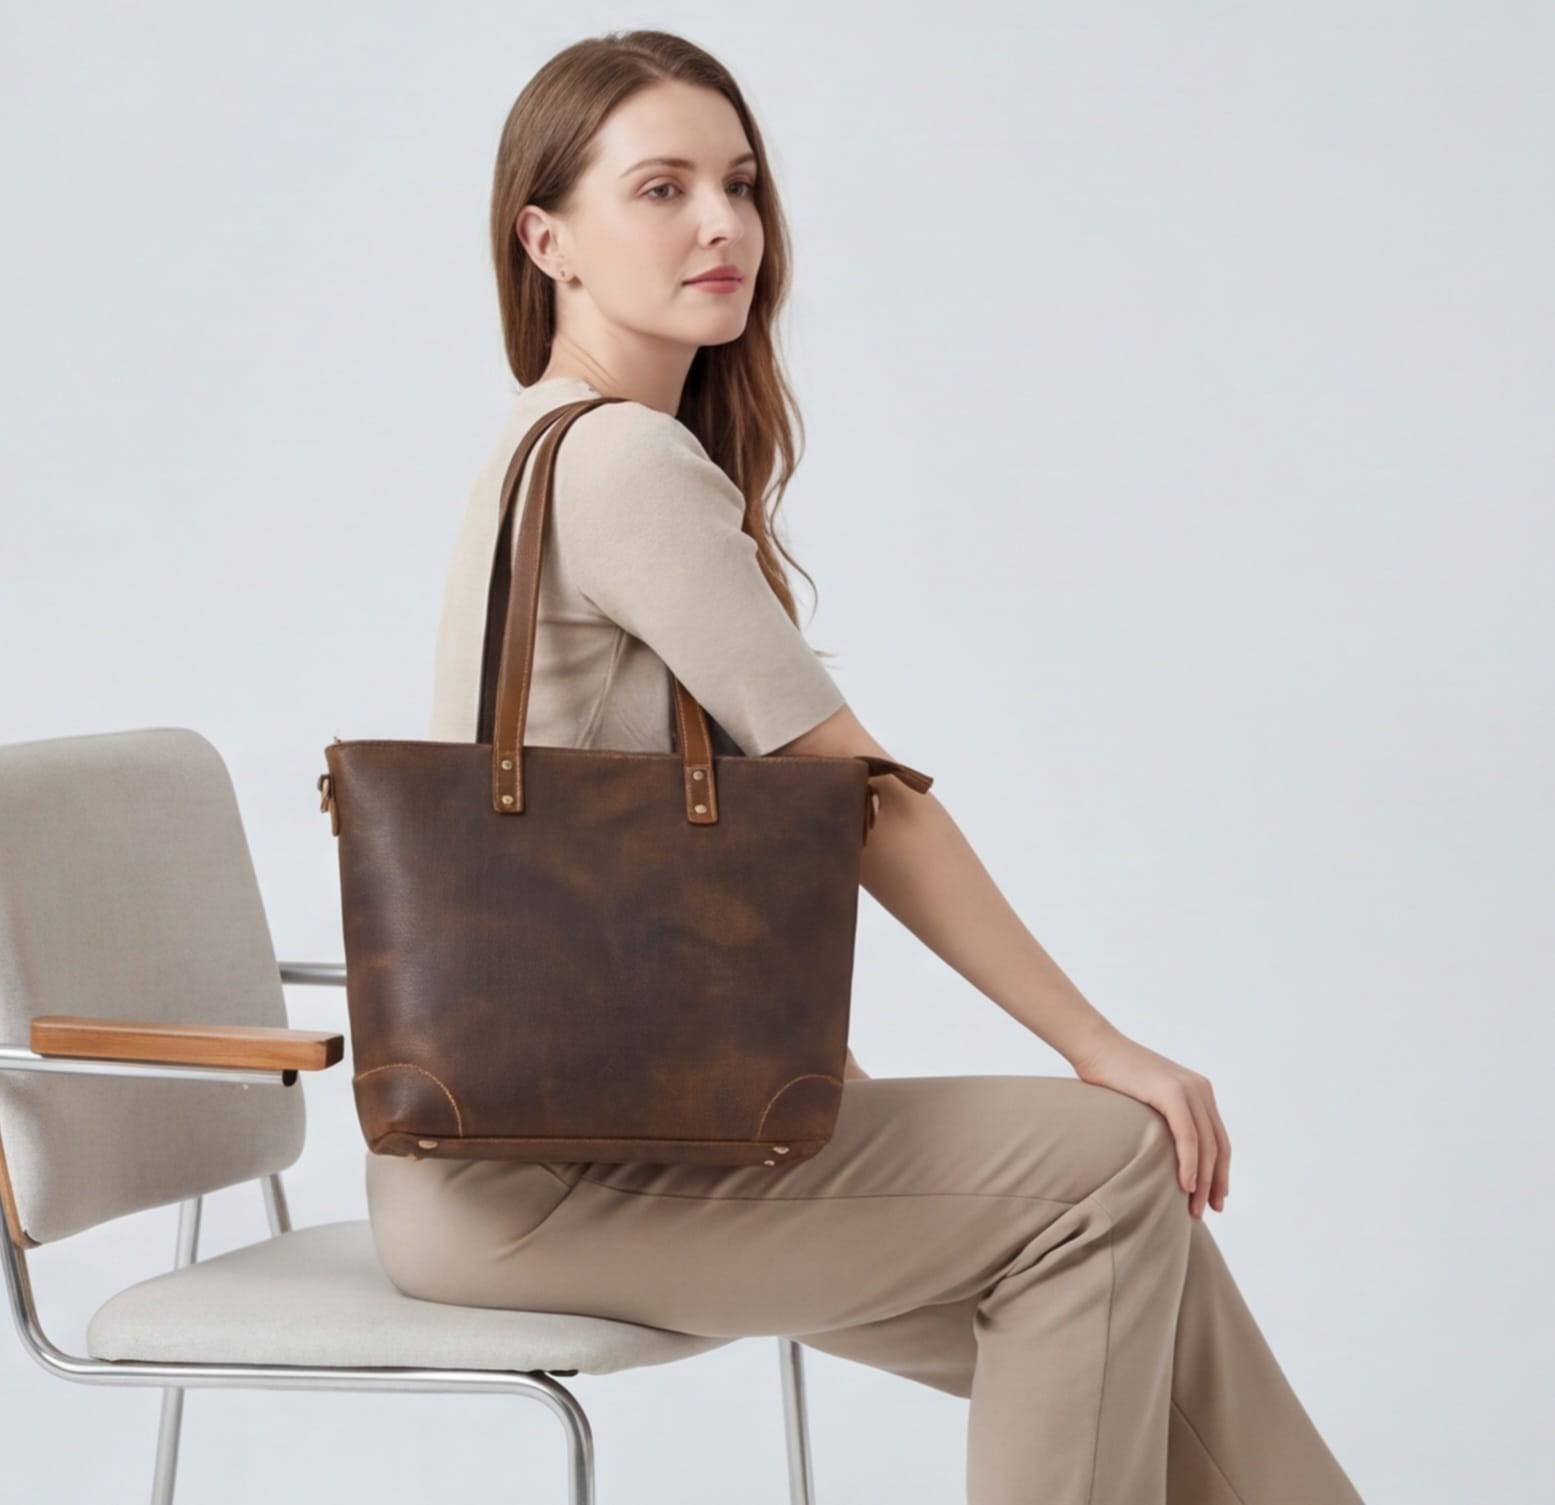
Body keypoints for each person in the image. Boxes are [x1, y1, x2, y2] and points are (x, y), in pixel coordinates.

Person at [363, 28, 1367, 1504]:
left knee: (1132, 1286)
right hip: (554, 1185)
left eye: (741, 183)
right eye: (660, 189)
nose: (725, 226)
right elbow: (867, 805)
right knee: (1101, 1169)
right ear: (546, 238)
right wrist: (1106, 1048)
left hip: (545, 1152)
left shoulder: (542, 445)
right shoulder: (622, 462)